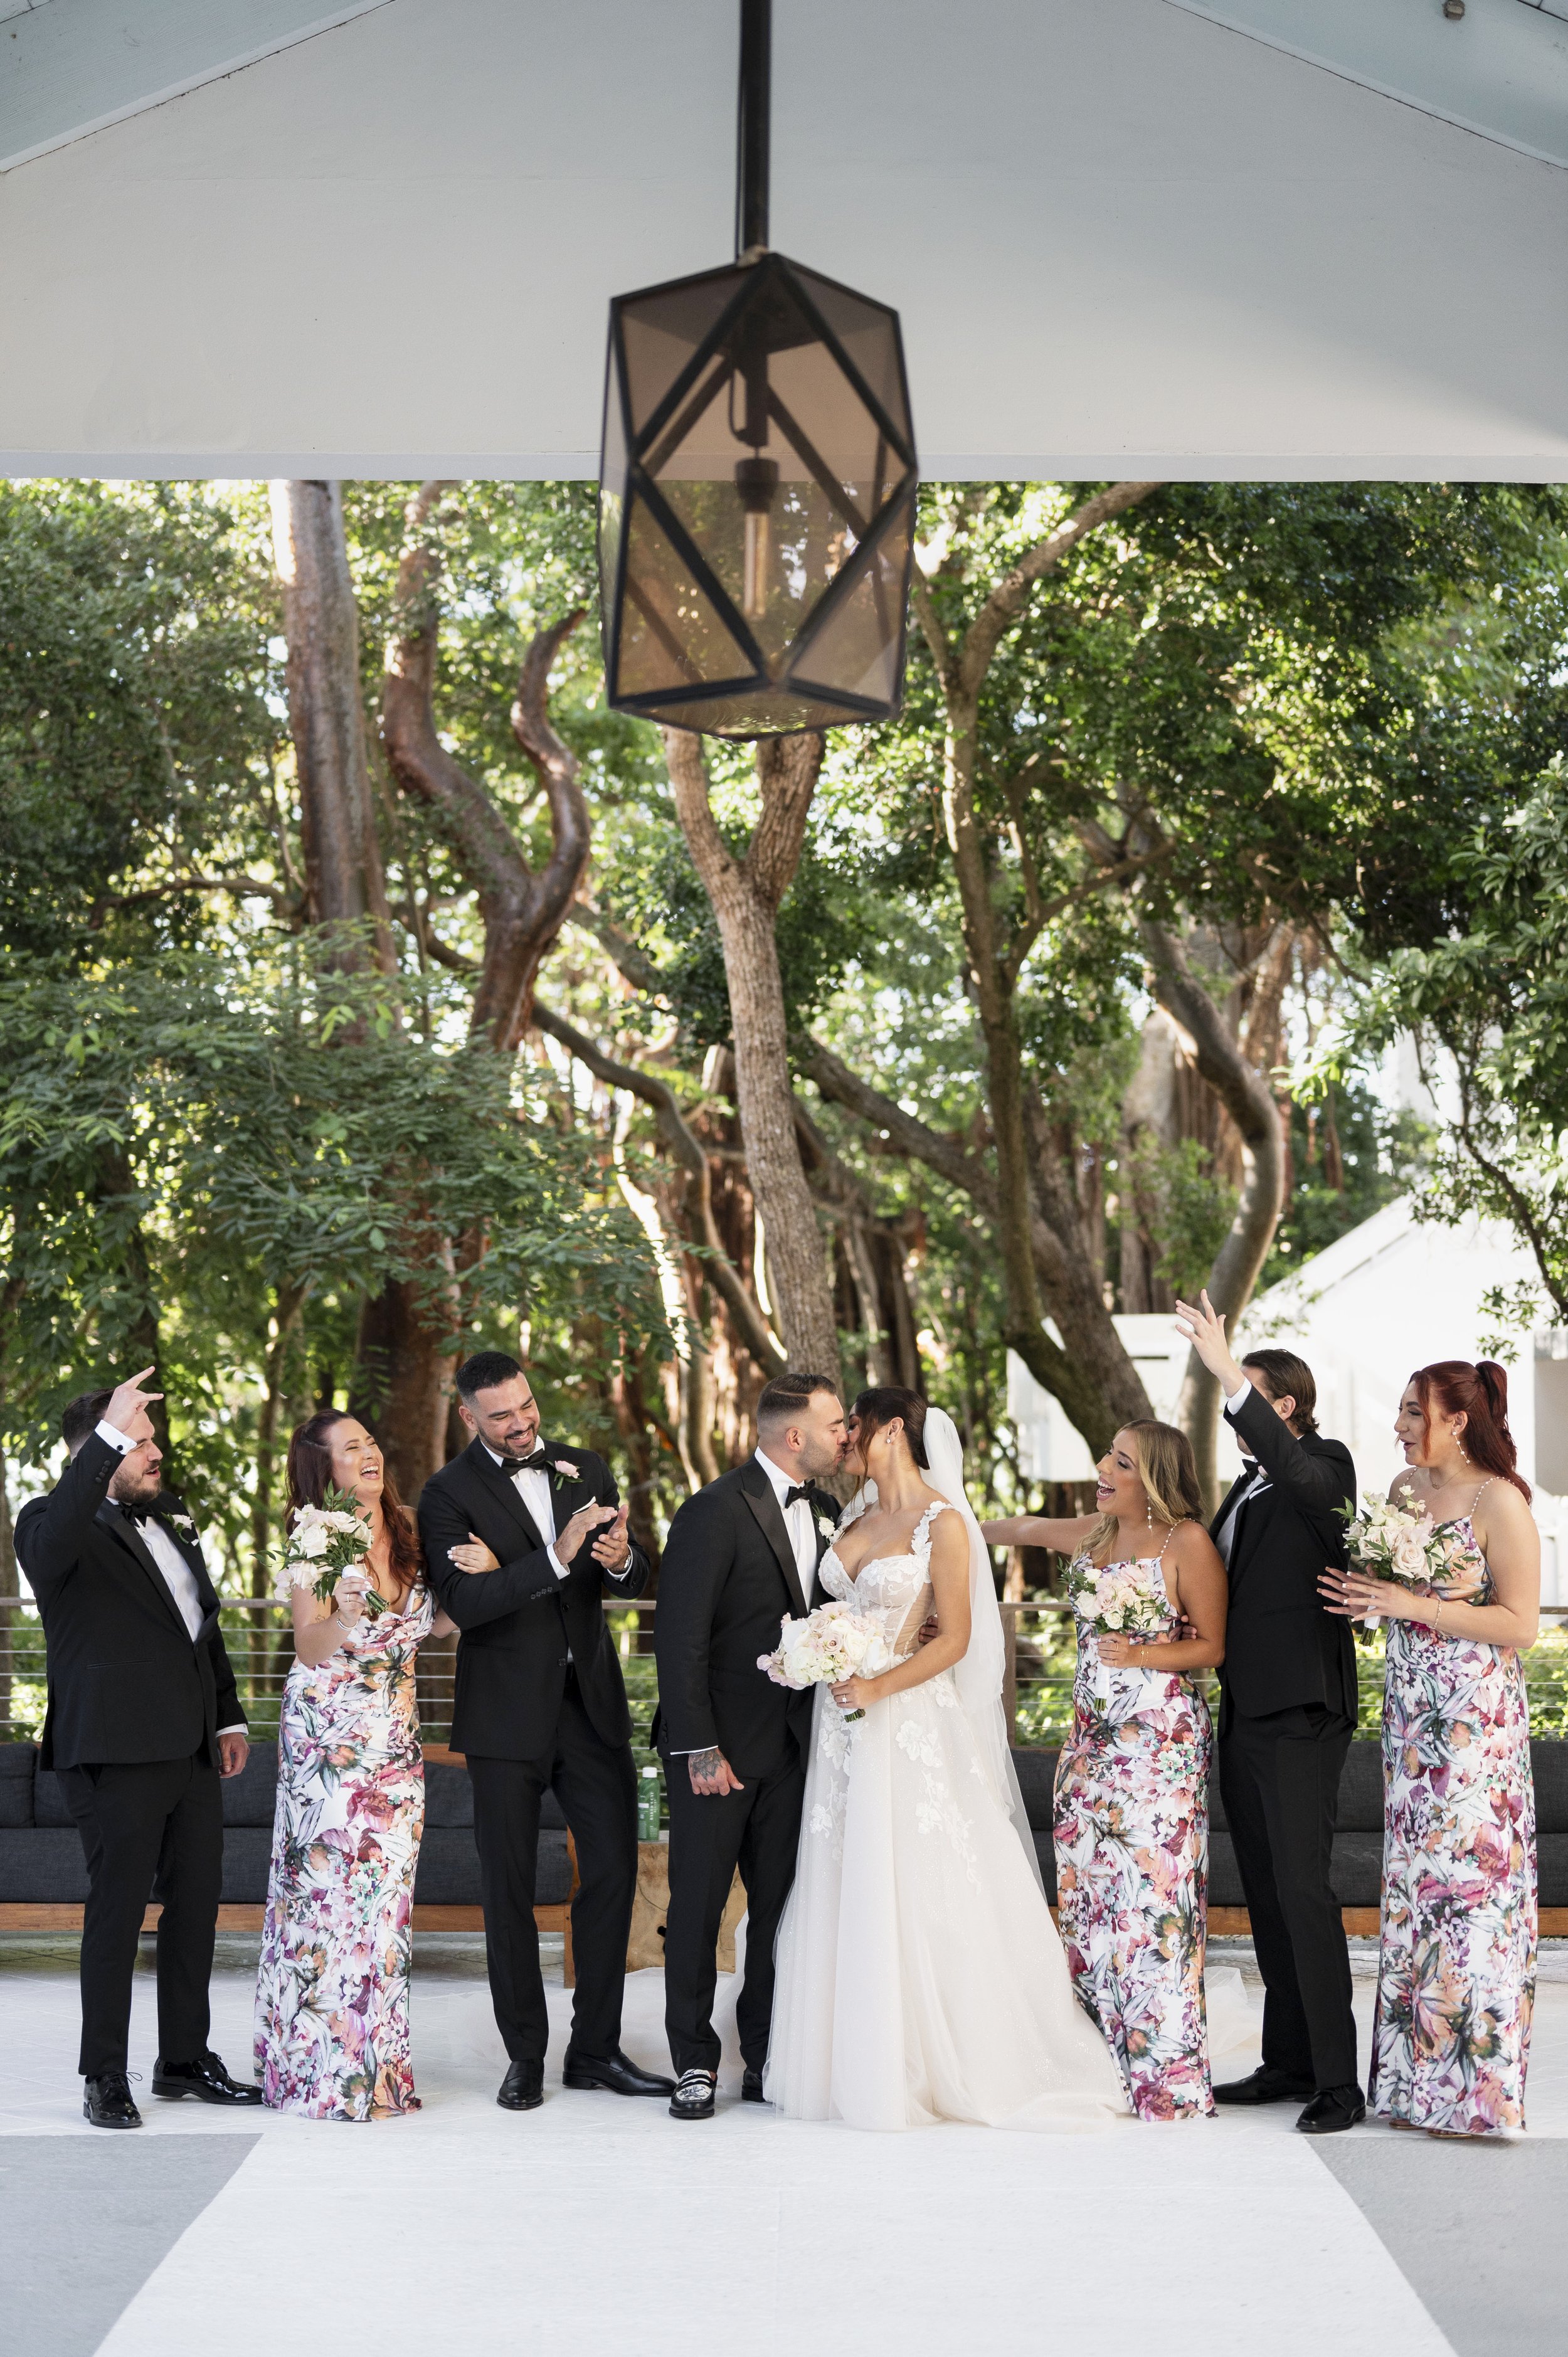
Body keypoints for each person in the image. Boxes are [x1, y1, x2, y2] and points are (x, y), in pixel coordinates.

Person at [766, 1387, 1128, 2131]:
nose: (844, 1442)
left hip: (903, 1719)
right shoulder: (853, 1516)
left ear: (892, 1428)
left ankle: (938, 2056)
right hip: (840, 1727)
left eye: (854, 1428)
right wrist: (814, 1656)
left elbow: (955, 1637)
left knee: (918, 1874)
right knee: (843, 1872)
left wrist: (874, 1682)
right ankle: (845, 2053)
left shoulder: (944, 1522)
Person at [418, 1350, 670, 2112]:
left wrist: (622, 1560)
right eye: (501, 1414)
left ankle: (595, 2048)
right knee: (506, 1889)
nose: (522, 1422)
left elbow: (627, 1574)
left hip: (589, 1704)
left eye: (526, 1406)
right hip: (502, 1716)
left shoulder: (584, 1466)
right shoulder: (445, 1495)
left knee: (614, 1873)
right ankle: (524, 2053)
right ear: (469, 1416)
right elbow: (464, 1602)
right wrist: (550, 1559)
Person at [14, 1367, 261, 2129]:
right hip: (115, 1750)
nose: (156, 1453)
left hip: (190, 1745)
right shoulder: (49, 1520)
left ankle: (183, 2059)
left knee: (196, 1906)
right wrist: (112, 1432)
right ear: (98, 1448)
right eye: (138, 1441)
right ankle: (103, 2073)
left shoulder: (174, 1514)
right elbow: (56, 1540)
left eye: (152, 1438)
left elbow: (200, 1621)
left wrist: (228, 1715)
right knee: (118, 1912)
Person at [1323, 1359, 1539, 2137]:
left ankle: (1478, 2094)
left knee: (1469, 1894)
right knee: (1418, 1892)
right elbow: (1383, 1589)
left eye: (1414, 1411)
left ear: (1456, 1417)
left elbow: (1520, 1624)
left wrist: (1414, 1603)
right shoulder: (1402, 1493)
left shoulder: (1500, 1499)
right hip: (1411, 1720)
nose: (1400, 1425)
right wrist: (1363, 1595)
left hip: (1476, 1726)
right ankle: (1416, 2088)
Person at [987, 1419, 1226, 2121]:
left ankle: (1166, 2076)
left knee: (1151, 1905)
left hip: (1158, 1747)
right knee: (1090, 1903)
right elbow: (1027, 1528)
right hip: (1089, 1745)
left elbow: (1213, 1645)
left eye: (1119, 1460)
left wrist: (1143, 1654)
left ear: (1150, 1475)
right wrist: (943, 1522)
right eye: (1106, 1455)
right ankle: (1099, 2063)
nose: (1102, 1467)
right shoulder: (1094, 1535)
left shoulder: (1186, 1542)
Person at [1174, 1291, 1362, 2134]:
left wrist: (1225, 1371)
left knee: (1304, 1892)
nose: (1232, 1405)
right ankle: (1288, 2061)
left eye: (1247, 1394)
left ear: (1283, 1406)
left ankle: (1339, 2084)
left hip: (1301, 1716)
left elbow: (1303, 1474)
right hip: (1244, 1714)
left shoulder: (1324, 1467)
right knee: (1267, 1895)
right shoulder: (1242, 1493)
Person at [654, 1370, 847, 2122]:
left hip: (799, 1751)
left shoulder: (829, 1510)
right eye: (834, 1424)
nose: (844, 1435)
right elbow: (679, 1637)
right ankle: (693, 2062)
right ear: (793, 1434)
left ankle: (765, 2056)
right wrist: (699, 1745)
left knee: (777, 1912)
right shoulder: (710, 1510)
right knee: (697, 1910)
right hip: (718, 1754)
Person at [255, 1411, 459, 2118]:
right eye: (351, 1449)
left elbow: (433, 1622)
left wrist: (475, 1587)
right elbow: (311, 1646)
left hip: (395, 1742)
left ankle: (378, 2071)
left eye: (370, 1441)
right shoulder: (314, 1535)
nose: (368, 1453)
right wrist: (341, 1612)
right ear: (325, 1469)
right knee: (327, 1904)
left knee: (384, 1907)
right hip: (327, 1742)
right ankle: (320, 2075)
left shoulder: (407, 1525)